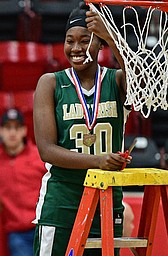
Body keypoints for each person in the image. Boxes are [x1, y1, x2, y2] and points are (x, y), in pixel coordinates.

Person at [32, 2, 132, 256]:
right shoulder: (51, 83)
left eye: (85, 40)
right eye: (69, 40)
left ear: (100, 45)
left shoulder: (116, 80)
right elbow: (47, 150)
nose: (75, 48)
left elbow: (138, 78)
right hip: (62, 202)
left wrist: (110, 34)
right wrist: (98, 160)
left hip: (107, 201)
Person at [0, 108, 46, 256]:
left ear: (24, 130)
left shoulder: (40, 157)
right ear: (1, 131)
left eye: (17, 127)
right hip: (16, 234)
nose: (12, 133)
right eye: (7, 128)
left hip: (42, 228)